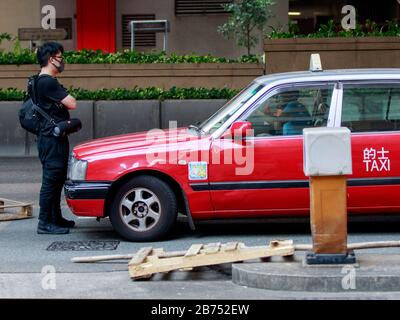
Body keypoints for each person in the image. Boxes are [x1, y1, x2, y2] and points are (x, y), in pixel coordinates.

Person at [34, 42, 77, 234]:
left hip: (48, 137)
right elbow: (71, 103)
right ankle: (44, 222)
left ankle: (55, 218)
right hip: (52, 139)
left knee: (57, 178)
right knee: (51, 180)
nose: (62, 61)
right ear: (51, 59)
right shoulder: (47, 82)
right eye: (60, 57)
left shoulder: (37, 80)